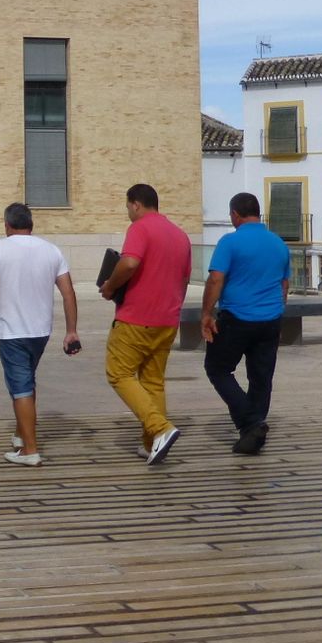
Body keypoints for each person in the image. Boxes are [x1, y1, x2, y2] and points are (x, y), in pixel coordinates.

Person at [0, 203, 80, 466]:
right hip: (41, 330)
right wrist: (71, 331)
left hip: (12, 330)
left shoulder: (0, 247)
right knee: (27, 381)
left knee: (20, 387)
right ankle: (22, 435)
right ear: (31, 225)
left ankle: (30, 450)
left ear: (7, 225)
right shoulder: (51, 250)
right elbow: (68, 293)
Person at [99, 183, 191, 465]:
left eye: (128, 207)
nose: (128, 212)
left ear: (136, 204)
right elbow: (184, 279)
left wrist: (110, 287)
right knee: (153, 381)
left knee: (119, 374)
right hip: (167, 319)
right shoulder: (180, 235)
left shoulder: (140, 228)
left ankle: (160, 427)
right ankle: (151, 443)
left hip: (136, 318)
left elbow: (128, 263)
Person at [200, 191, 291, 454]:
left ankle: (251, 423)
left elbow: (216, 279)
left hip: (237, 318)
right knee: (261, 377)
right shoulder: (278, 243)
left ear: (235, 214)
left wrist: (206, 313)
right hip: (271, 319)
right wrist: (277, 313)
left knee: (217, 368)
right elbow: (284, 285)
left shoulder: (230, 242)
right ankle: (254, 431)